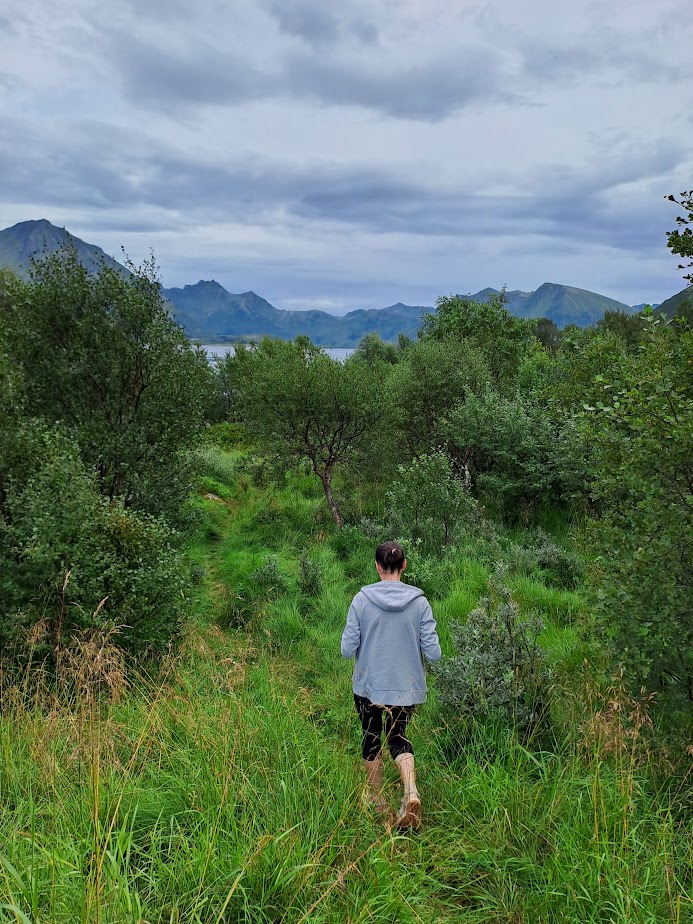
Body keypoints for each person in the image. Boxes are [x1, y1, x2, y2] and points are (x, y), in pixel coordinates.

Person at [341, 540, 441, 829]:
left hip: (369, 687)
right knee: (397, 736)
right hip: (406, 688)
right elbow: (434, 653)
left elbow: (347, 650)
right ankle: (410, 792)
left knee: (371, 738)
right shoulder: (420, 603)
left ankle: (377, 800)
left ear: (377, 566)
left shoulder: (361, 600)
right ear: (404, 566)